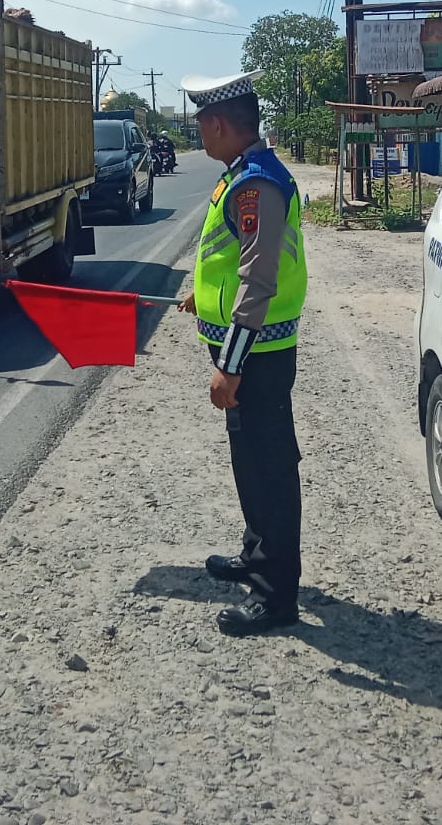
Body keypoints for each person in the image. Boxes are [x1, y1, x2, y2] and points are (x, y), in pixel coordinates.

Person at [177, 71, 308, 636]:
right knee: (249, 462)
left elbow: (259, 281)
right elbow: (230, 260)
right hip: (250, 347)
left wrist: (227, 366)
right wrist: (200, 295)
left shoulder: (255, 184)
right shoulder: (241, 176)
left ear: (218, 123)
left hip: (257, 353)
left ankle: (276, 597)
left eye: (202, 125)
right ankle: (256, 558)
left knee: (269, 469)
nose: (201, 135)